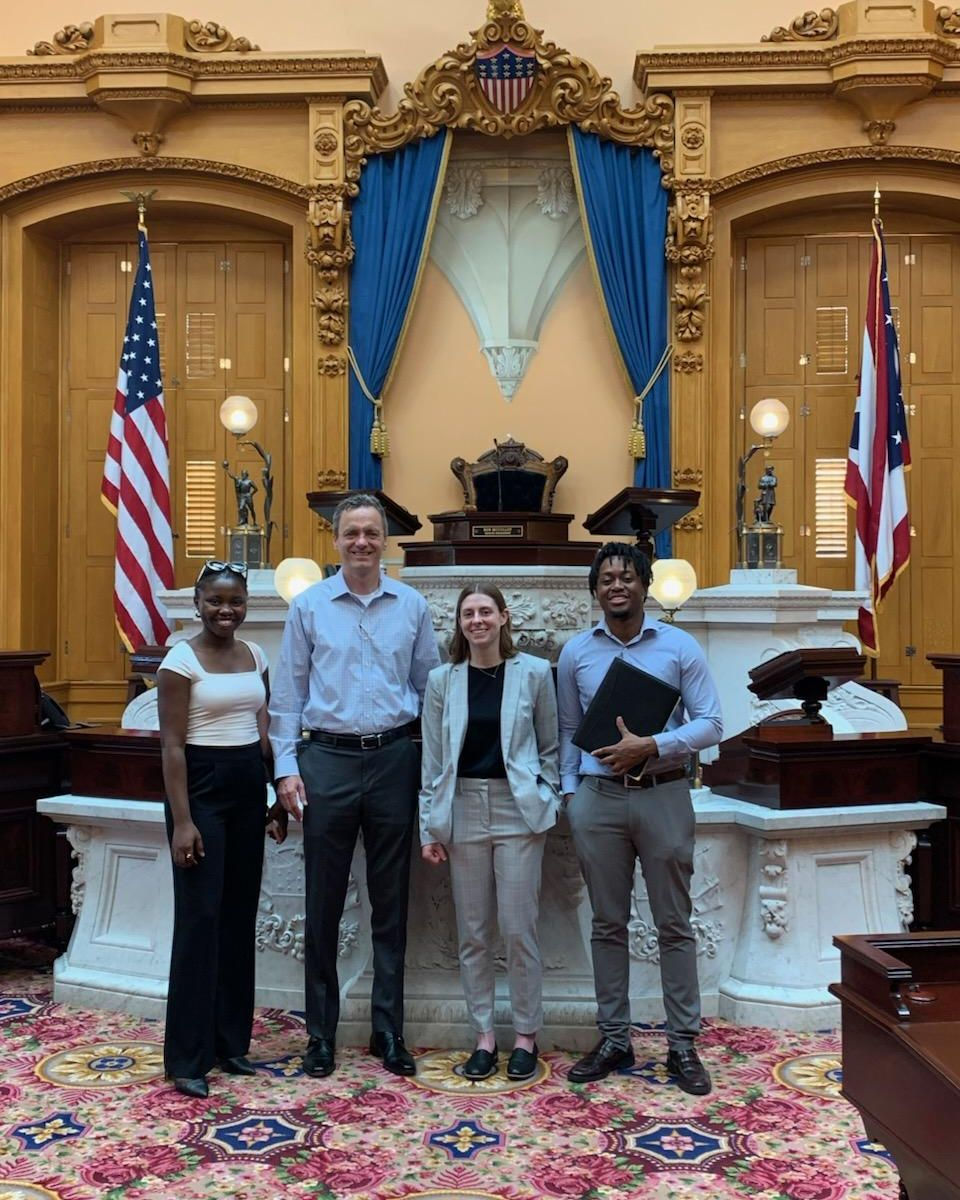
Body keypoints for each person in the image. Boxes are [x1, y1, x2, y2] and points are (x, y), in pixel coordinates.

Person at [269, 493, 441, 1078]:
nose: (362, 542)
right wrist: (286, 769)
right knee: (323, 903)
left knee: (391, 905)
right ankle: (319, 1034)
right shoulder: (309, 608)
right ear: (335, 540)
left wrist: (427, 772)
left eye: (372, 532)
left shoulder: (413, 607)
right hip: (327, 764)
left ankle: (387, 1032)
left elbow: (429, 696)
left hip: (394, 760)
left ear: (385, 539)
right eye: (352, 533)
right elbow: (288, 698)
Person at [557, 542, 722, 1095]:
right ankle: (614, 1037)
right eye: (605, 579)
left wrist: (653, 744)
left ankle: (681, 1044)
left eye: (626, 576)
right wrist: (570, 793)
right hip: (599, 801)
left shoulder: (679, 647)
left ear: (645, 584)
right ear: (595, 590)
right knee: (607, 923)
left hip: (663, 793)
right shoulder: (577, 653)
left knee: (674, 924)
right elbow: (567, 729)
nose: (616, 586)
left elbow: (712, 723)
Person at [419, 585, 560, 1081]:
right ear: (458, 623)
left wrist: (549, 795)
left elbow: (551, 745)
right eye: (467, 613)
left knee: (519, 930)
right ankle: (483, 1037)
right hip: (461, 809)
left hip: (518, 809)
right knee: (474, 933)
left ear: (503, 617)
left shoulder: (536, 674)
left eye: (485, 612)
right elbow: (433, 759)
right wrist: (429, 826)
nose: (477, 620)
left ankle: (525, 1036)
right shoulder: (443, 680)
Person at [158, 560, 285, 1099]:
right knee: (200, 919)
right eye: (215, 601)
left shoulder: (256, 656)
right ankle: (187, 1057)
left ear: (246, 605)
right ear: (198, 603)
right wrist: (183, 822)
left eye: (234, 601)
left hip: (245, 789)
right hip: (201, 792)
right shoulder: (179, 661)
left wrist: (274, 797)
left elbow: (263, 730)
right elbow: (171, 747)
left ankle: (230, 1042)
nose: (225, 610)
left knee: (237, 917)